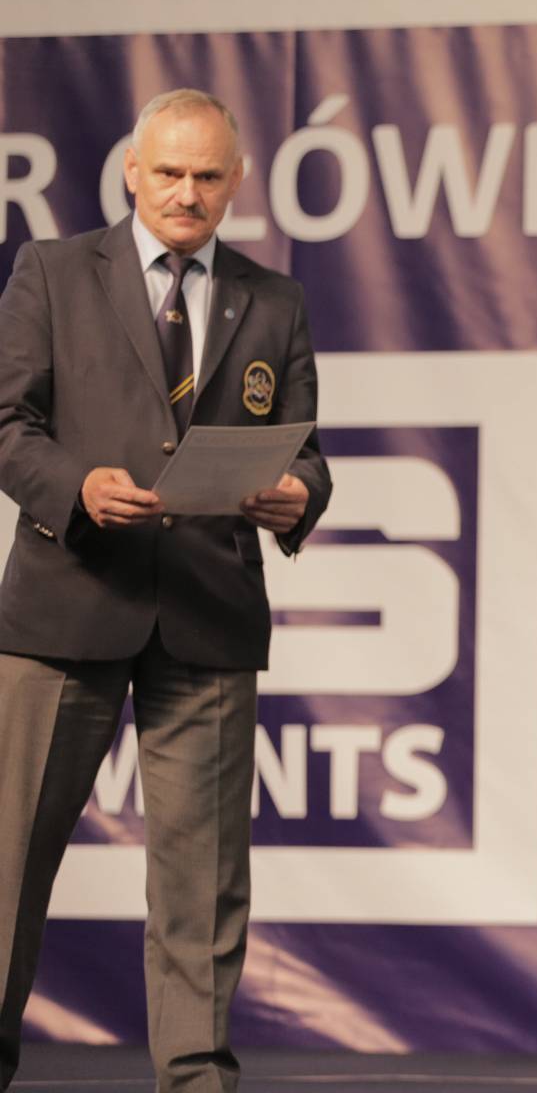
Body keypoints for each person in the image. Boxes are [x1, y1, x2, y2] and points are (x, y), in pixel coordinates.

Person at [0, 89, 331, 1092]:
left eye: (208, 176)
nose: (188, 193)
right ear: (132, 171)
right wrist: (76, 489)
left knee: (204, 886)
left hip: (209, 617)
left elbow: (308, 454)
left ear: (237, 182)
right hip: (66, 604)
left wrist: (296, 496)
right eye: (171, 173)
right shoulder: (53, 271)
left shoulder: (274, 299)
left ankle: (195, 1081)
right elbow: (8, 423)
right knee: (8, 869)